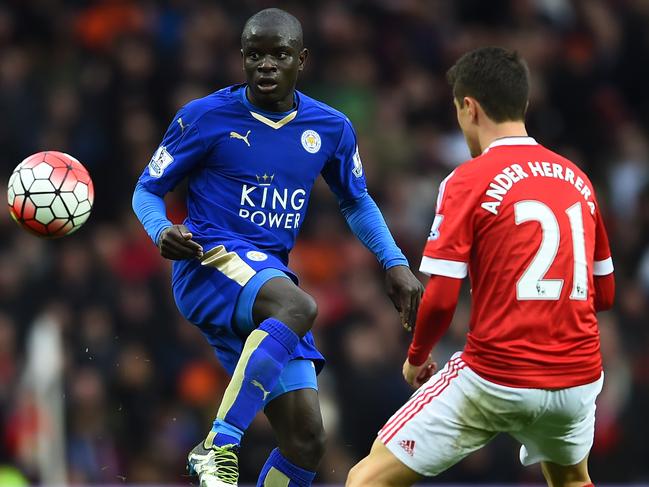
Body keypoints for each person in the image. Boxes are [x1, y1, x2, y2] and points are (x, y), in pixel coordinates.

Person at [131, 8, 423, 487]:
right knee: (300, 305)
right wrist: (162, 229)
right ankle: (217, 445)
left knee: (307, 440)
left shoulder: (329, 128)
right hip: (208, 262)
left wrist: (393, 261)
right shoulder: (204, 116)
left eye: (279, 55)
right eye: (255, 55)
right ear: (242, 59)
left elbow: (356, 200)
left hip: (265, 281)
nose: (266, 65)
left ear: (301, 59)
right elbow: (146, 189)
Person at [346, 47, 616, 487]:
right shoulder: (577, 179)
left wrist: (415, 358)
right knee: (571, 480)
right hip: (577, 379)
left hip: (496, 378)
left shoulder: (468, 179)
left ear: (468, 107)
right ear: (523, 105)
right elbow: (604, 295)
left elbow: (441, 298)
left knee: (365, 478)